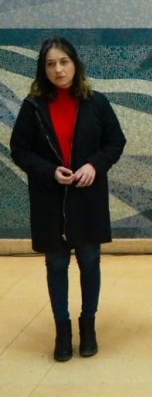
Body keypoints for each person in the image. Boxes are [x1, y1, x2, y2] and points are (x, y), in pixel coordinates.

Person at [10, 37, 126, 362]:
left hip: (87, 199)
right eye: (50, 64)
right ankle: (62, 330)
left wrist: (94, 165)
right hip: (49, 200)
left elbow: (115, 142)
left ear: (75, 64)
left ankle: (88, 326)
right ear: (43, 70)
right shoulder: (33, 107)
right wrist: (49, 171)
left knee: (89, 261)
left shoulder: (96, 103)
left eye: (64, 62)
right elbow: (19, 150)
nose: (58, 69)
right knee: (56, 264)